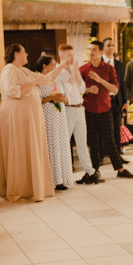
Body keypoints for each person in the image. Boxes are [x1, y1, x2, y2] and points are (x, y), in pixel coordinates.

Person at [0, 44, 54, 203]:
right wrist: (32, 83)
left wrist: (63, 65)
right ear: (17, 54)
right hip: (16, 116)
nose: (27, 54)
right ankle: (19, 189)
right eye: (24, 51)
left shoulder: (24, 70)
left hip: (28, 117)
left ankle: (32, 187)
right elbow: (10, 90)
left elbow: (47, 79)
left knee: (30, 149)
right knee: (19, 150)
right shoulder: (9, 69)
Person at [81, 40, 133, 180]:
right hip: (89, 110)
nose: (91, 53)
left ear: (100, 52)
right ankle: (94, 171)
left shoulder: (109, 69)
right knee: (93, 141)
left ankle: (120, 169)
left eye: (94, 50)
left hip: (106, 109)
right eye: (90, 49)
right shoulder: (83, 69)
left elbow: (115, 89)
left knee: (110, 140)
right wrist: (87, 90)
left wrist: (99, 80)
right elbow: (76, 91)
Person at [54, 43, 97, 185]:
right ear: (61, 56)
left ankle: (90, 172)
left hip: (80, 108)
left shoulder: (74, 68)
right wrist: (73, 73)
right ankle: (62, 177)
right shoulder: (57, 72)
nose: (72, 57)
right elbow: (68, 88)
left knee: (82, 143)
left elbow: (83, 88)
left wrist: (76, 71)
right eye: (69, 55)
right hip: (68, 109)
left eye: (72, 54)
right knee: (65, 143)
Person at [34, 55, 75, 190]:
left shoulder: (58, 80)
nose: (55, 67)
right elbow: (35, 101)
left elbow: (68, 98)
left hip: (60, 119)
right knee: (51, 147)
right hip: (47, 120)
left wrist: (64, 99)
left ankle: (61, 179)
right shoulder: (38, 80)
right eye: (53, 64)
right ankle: (50, 180)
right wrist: (50, 98)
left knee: (61, 147)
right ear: (45, 66)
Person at [103, 37, 129, 157]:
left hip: (116, 101)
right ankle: (102, 156)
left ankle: (118, 156)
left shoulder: (118, 64)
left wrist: (125, 101)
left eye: (113, 45)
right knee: (103, 129)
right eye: (108, 45)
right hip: (103, 101)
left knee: (117, 129)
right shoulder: (99, 63)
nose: (111, 48)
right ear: (103, 48)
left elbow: (122, 83)